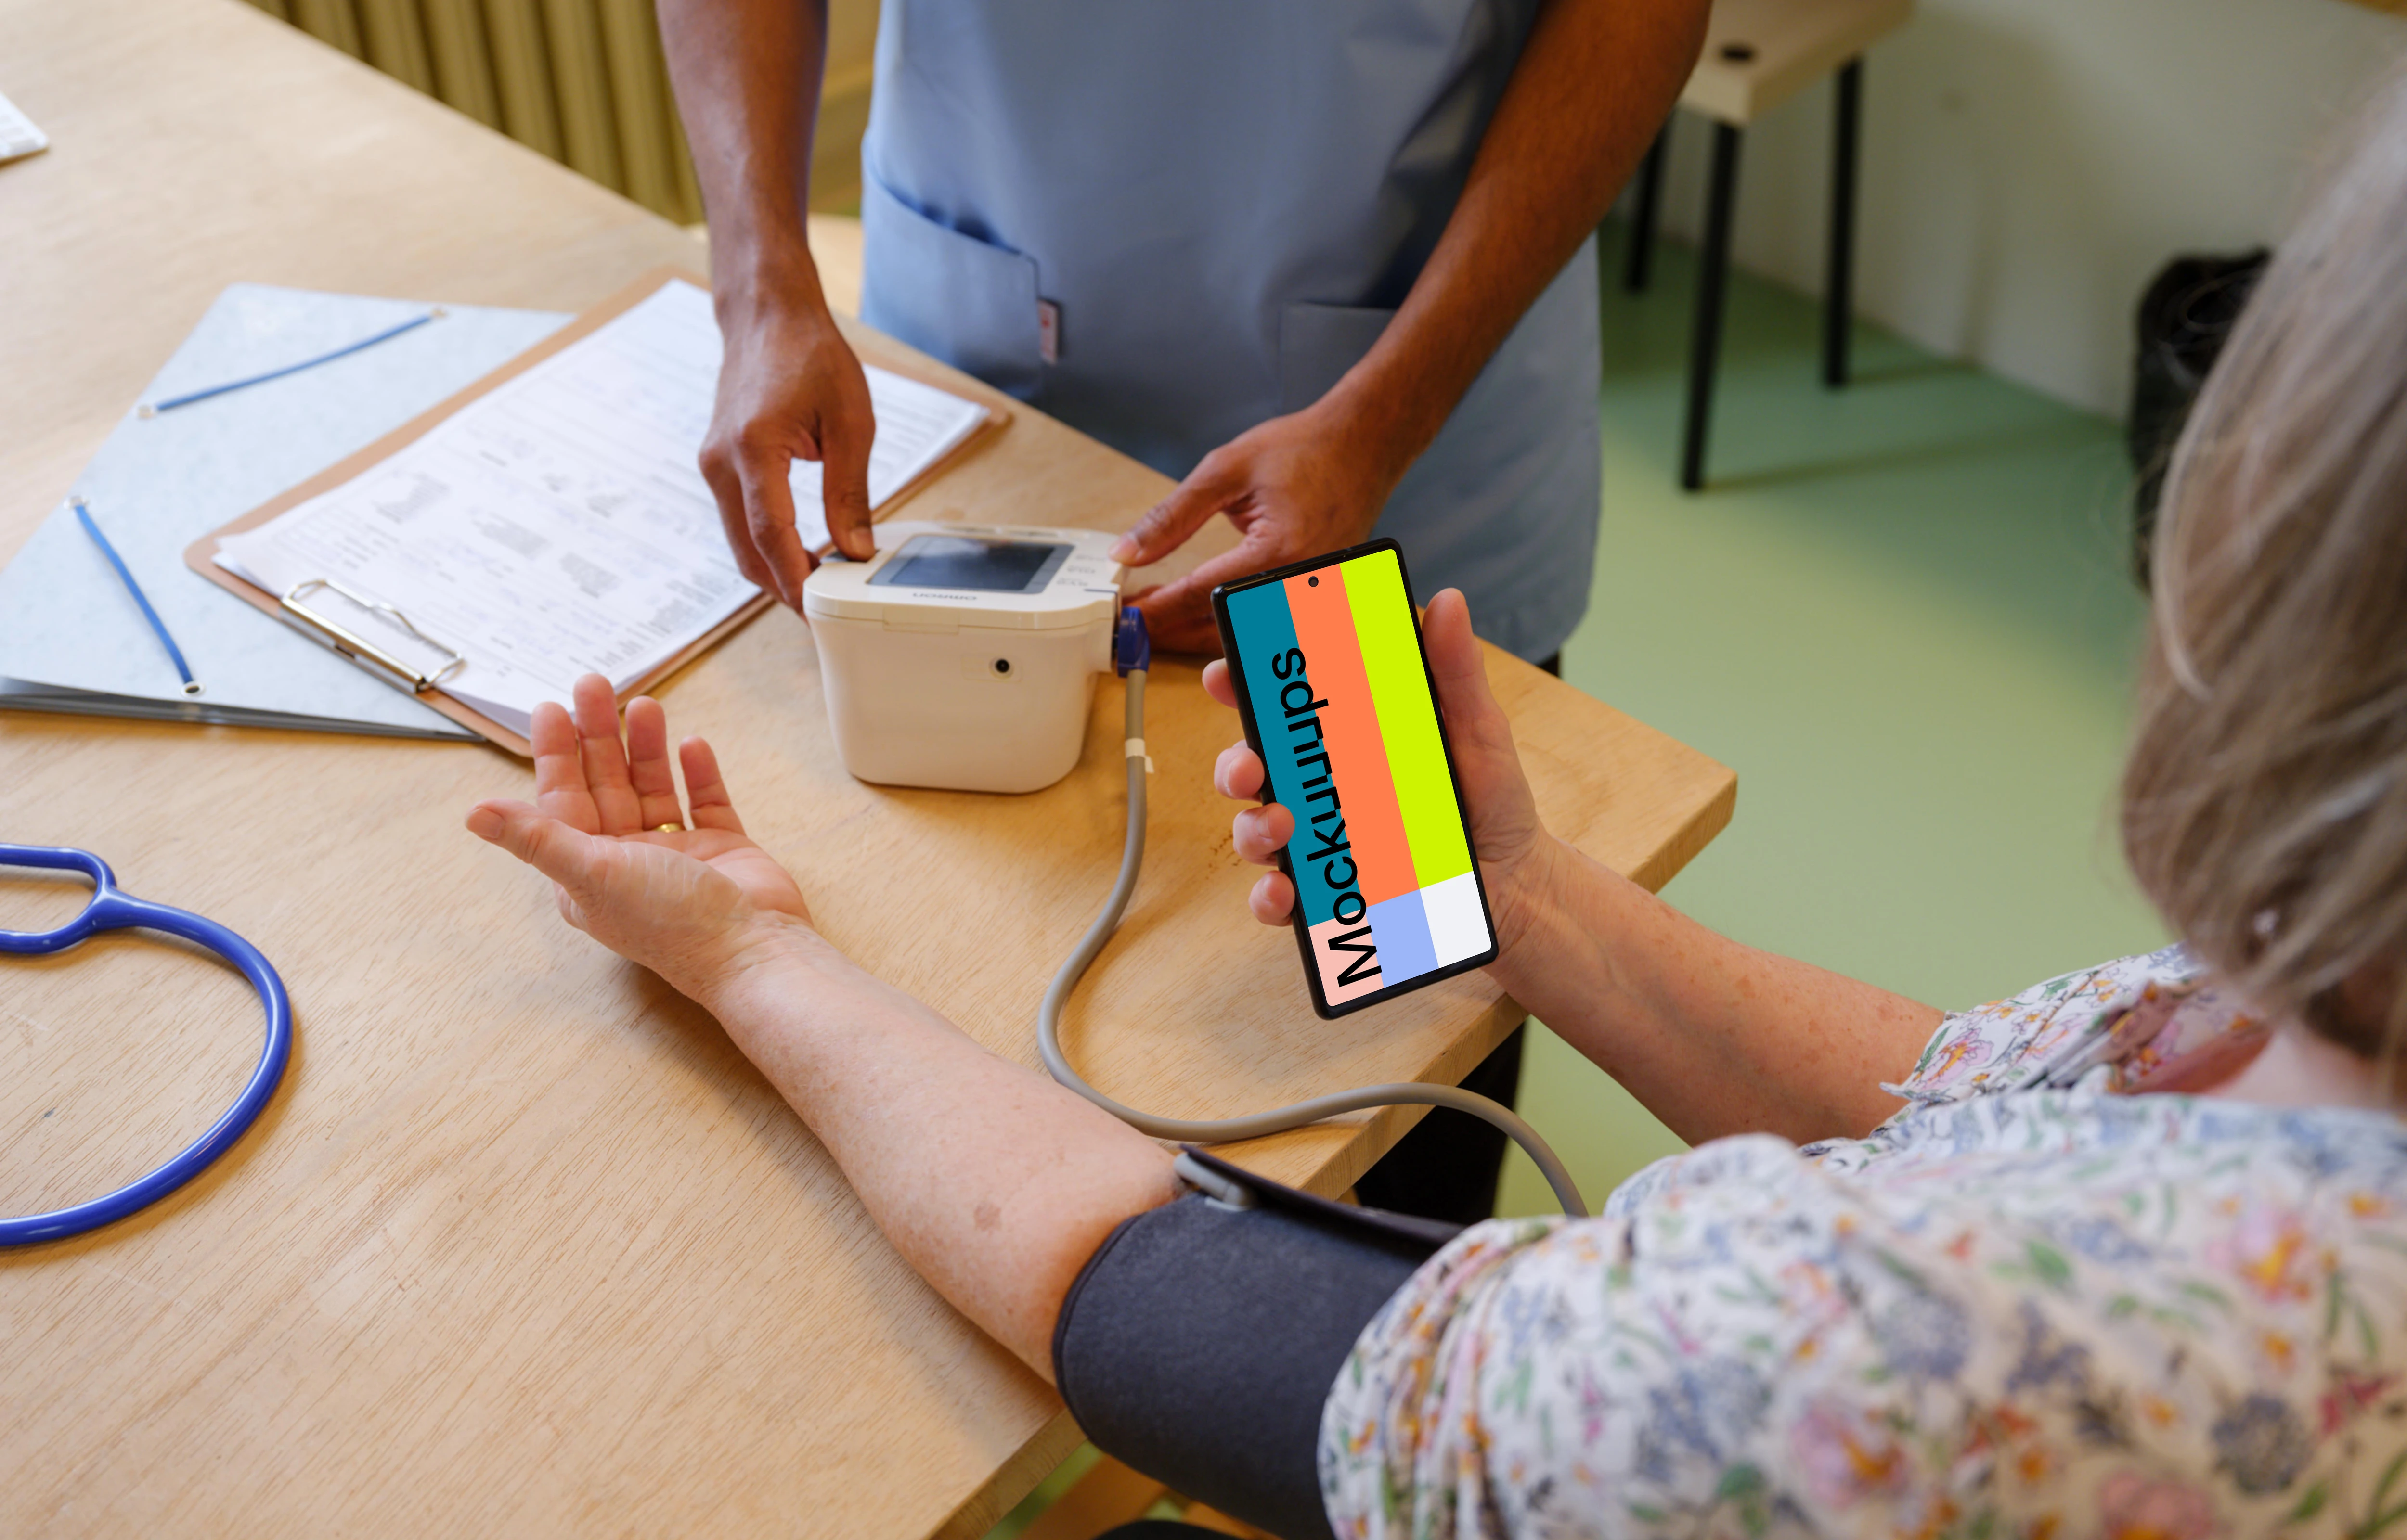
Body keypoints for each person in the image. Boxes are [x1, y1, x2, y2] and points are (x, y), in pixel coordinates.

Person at [466, 76, 2407, 1540]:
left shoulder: (1888, 1355)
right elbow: (2000, 1113)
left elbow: (1165, 1314)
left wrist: (749, 948)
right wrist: (1529, 897)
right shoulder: (2292, 1057)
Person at [656, 0, 1708, 1226]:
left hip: (1386, 411)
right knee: (952, 990)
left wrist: (1382, 419)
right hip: (983, 386)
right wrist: (758, 286)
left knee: (1393, 1047)